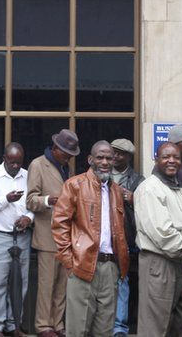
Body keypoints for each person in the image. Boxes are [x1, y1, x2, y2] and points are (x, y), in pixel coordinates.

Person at [52, 140, 129, 337]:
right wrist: (69, 262)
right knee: (78, 329)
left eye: (109, 158)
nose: (105, 162)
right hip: (82, 265)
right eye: (100, 157)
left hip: (111, 267)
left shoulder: (116, 190)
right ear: (90, 159)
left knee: (104, 329)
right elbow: (60, 224)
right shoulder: (74, 185)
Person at [134, 142, 182, 337]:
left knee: (175, 325)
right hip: (160, 264)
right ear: (156, 159)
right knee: (155, 326)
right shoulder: (150, 188)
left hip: (181, 264)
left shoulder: (178, 188)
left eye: (176, 157)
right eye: (166, 157)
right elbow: (162, 233)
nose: (172, 161)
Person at [26, 128, 79, 337]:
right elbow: (30, 200)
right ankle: (43, 326)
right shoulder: (38, 164)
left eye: (71, 155)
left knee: (62, 286)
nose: (68, 157)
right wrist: (49, 200)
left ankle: (58, 324)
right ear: (55, 148)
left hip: (67, 236)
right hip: (47, 236)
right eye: (65, 153)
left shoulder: (67, 168)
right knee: (46, 285)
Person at [0, 142, 34, 337]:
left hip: (22, 236)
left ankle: (14, 325)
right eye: (12, 162)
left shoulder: (28, 175)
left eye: (18, 162)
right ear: (4, 158)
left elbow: (33, 203)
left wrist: (29, 218)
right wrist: (6, 199)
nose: (15, 166)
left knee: (21, 283)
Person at [109, 137, 142, 337]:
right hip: (102, 237)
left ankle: (120, 327)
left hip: (125, 237)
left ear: (128, 157)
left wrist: (133, 198)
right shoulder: (99, 175)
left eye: (120, 153)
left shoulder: (138, 180)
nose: (114, 156)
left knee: (122, 282)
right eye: (113, 151)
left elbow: (147, 210)